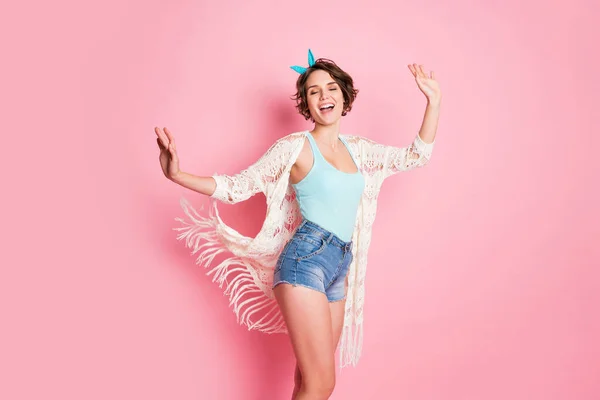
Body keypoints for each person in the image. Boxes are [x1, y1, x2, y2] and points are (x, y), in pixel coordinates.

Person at [155, 49, 441, 399]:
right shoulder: (295, 147)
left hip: (339, 266)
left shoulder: (360, 151)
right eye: (314, 91)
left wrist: (434, 102)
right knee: (322, 384)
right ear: (306, 103)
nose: (325, 96)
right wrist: (177, 174)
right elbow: (237, 186)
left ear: (344, 96)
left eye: (332, 88)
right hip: (306, 260)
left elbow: (417, 155)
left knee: (307, 382)